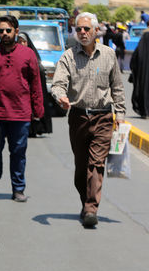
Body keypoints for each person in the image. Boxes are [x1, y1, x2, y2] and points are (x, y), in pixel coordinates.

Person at [51, 12, 126, 228]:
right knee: (81, 166)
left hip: (103, 116)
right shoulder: (68, 56)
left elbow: (118, 87)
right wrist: (60, 97)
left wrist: (119, 114)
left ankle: (92, 208)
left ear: (95, 31)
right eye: (78, 29)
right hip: (78, 118)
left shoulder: (109, 55)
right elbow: (57, 84)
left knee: (96, 164)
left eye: (86, 29)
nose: (82, 32)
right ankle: (85, 202)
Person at [0, 15, 44, 202]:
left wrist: (38, 110)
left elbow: (35, 83)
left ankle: (18, 188)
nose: (4, 34)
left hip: (20, 114)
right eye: (1, 30)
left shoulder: (28, 54)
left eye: (8, 30)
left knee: (18, 153)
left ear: (16, 31)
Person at [17, 32, 53, 136]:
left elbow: (39, 71)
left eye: (24, 41)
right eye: (19, 42)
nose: (22, 44)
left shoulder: (33, 56)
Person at [130, 31, 149, 119]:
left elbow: (133, 61)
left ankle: (145, 112)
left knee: (143, 89)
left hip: (143, 75)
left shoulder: (141, 47)